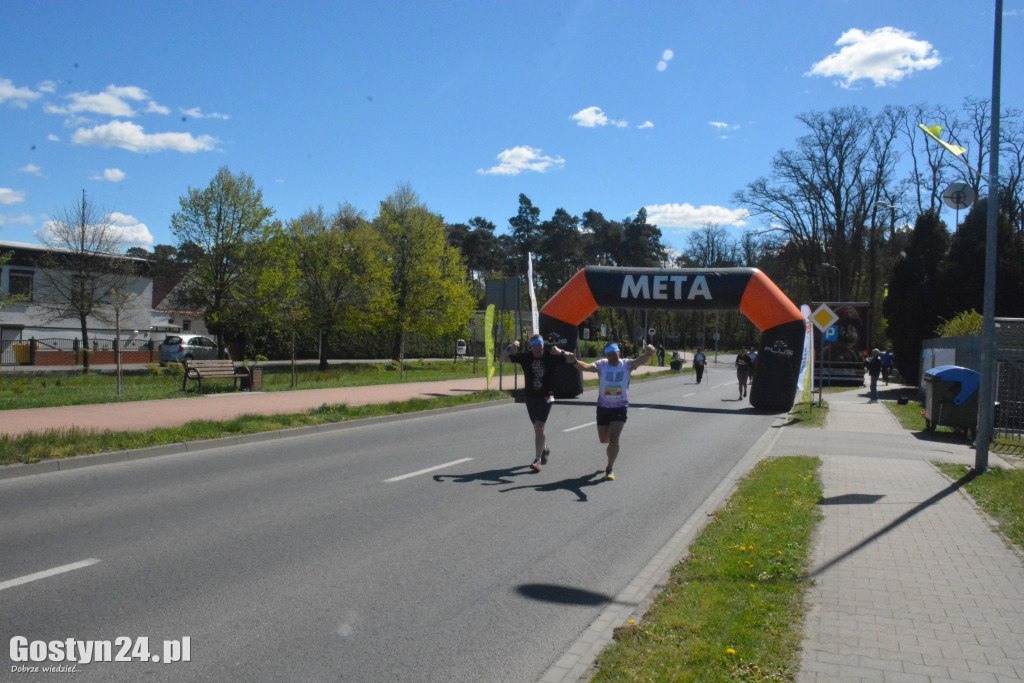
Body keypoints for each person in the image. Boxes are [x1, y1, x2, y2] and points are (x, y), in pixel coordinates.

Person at [573, 342, 655, 480]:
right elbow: (586, 367)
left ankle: (609, 468)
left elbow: (642, 359)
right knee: (604, 439)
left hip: (620, 406)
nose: (611, 356)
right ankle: (610, 449)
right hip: (603, 406)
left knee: (614, 438)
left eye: (614, 353)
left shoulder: (627, 364)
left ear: (619, 353)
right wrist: (574, 361)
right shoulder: (602, 364)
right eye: (609, 354)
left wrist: (650, 352)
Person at [501, 334, 575, 471]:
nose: (537, 348)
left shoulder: (550, 356)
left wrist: (561, 352)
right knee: (536, 427)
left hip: (548, 396)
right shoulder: (526, 356)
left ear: (543, 346)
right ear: (531, 347)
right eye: (534, 346)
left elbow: (572, 359)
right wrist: (510, 347)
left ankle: (537, 460)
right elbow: (503, 359)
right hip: (530, 397)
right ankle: (544, 448)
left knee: (540, 426)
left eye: (540, 345)